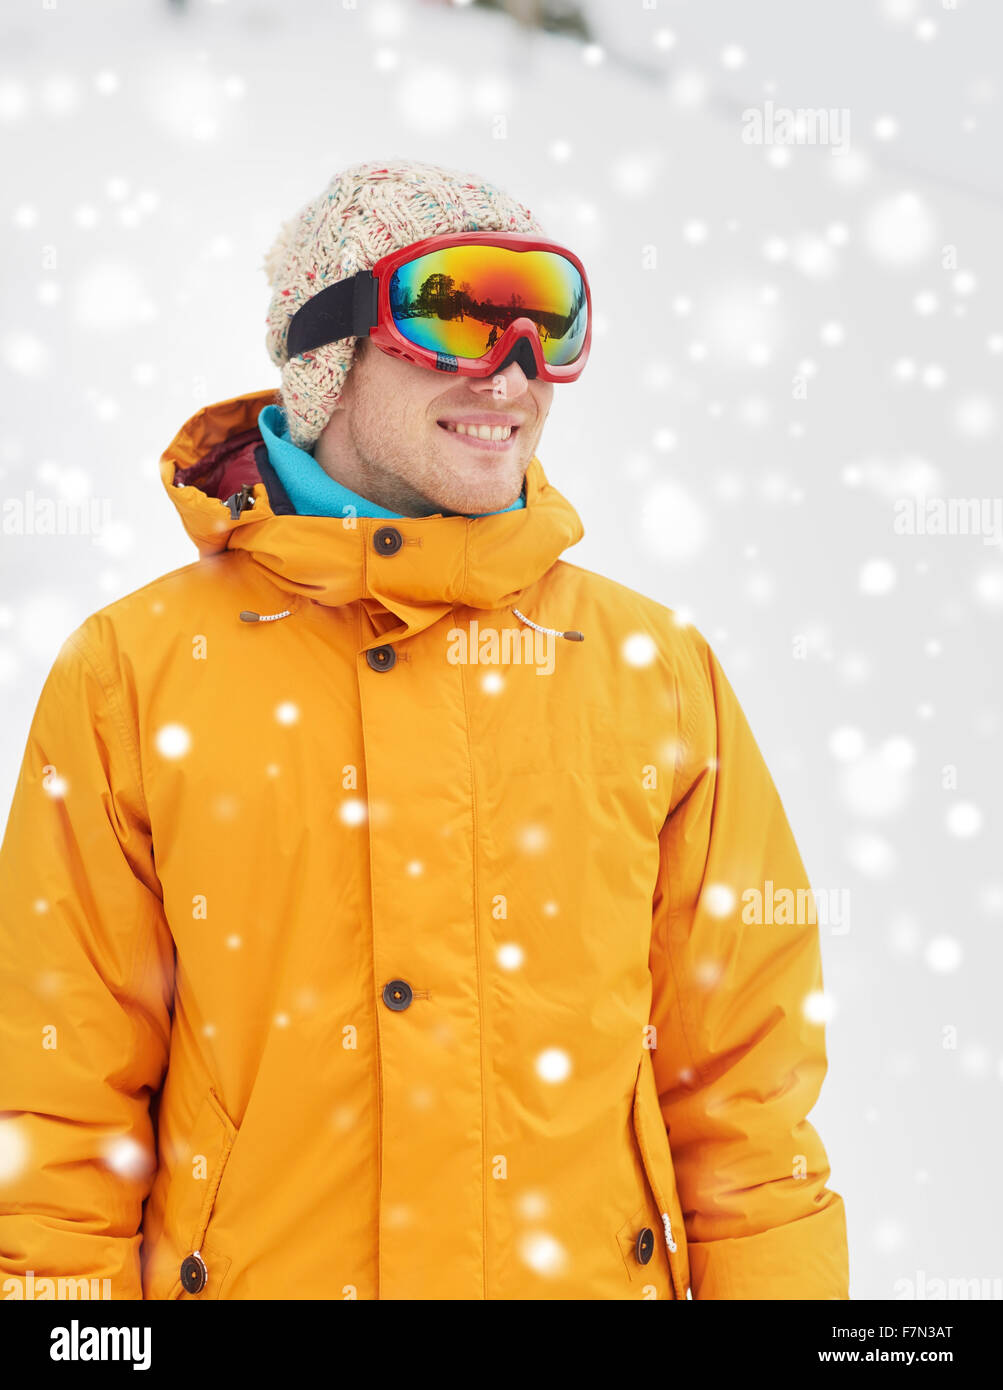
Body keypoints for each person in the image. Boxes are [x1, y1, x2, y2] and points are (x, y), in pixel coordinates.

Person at [0, 158, 849, 1301]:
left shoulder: (651, 671)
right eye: (454, 311)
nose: (513, 372)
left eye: (549, 320)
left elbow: (746, 1105)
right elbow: (53, 1113)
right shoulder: (136, 675)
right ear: (327, 355)